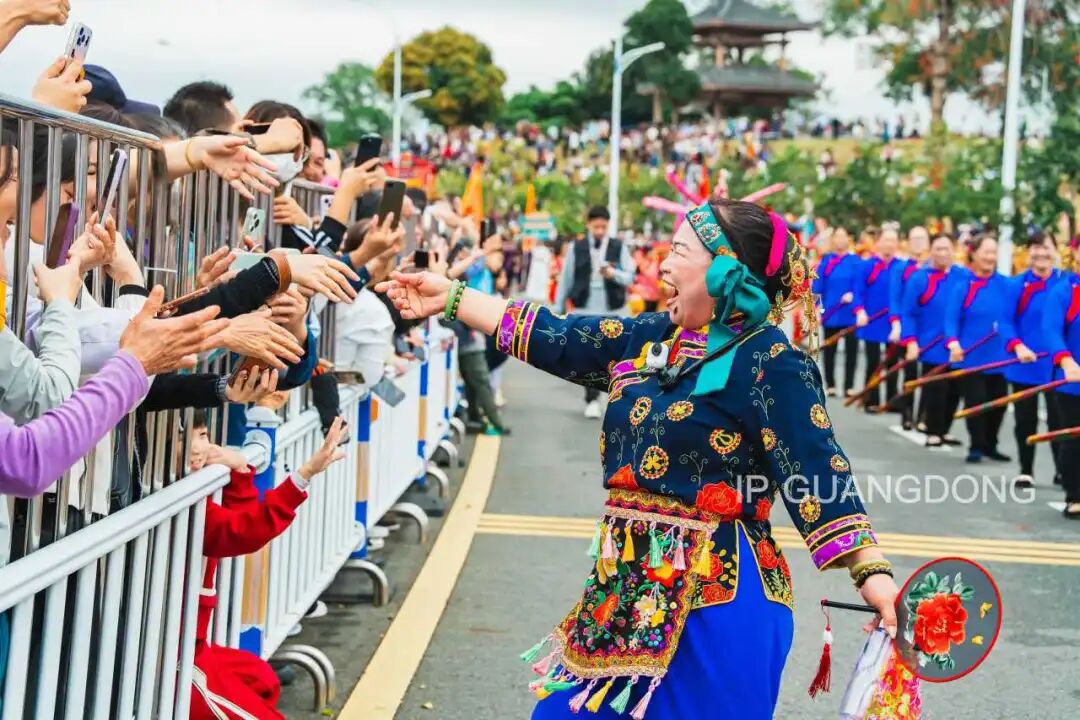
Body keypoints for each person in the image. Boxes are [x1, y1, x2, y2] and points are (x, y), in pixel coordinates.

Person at [378, 199, 898, 720]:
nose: (662, 266)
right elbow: (560, 336)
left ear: (725, 270)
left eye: (679, 253)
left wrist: (871, 574)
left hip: (719, 601)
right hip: (627, 590)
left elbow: (817, 472)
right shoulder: (652, 337)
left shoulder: (773, 361)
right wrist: (452, 298)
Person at [188, 416, 348, 720]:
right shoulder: (181, 501)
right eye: (186, 436)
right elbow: (245, 529)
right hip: (176, 661)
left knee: (262, 679)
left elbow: (240, 519)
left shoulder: (194, 491)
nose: (198, 447)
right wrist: (304, 473)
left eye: (204, 434)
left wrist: (239, 471)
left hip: (196, 647)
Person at [555, 206, 634, 419]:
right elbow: (566, 278)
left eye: (603, 227)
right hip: (584, 309)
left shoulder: (619, 246)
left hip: (612, 309)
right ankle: (591, 399)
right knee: (587, 356)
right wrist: (558, 309)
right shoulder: (577, 247)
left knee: (613, 356)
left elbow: (630, 276)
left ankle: (611, 397)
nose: (600, 231)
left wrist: (613, 273)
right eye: (596, 226)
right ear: (588, 225)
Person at [1001, 232, 1064, 487]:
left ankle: (1063, 470)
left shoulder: (1066, 284)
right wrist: (1017, 346)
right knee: (1025, 420)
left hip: (1059, 366)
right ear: (1028, 253)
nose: (1041, 253)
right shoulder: (1016, 285)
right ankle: (1026, 470)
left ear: (1055, 251)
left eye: (1046, 247)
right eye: (1036, 248)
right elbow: (1005, 322)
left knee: (1059, 421)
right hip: (1025, 364)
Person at [945, 235, 1012, 464]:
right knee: (976, 401)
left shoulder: (1006, 285)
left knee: (999, 403)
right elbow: (951, 319)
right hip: (971, 356)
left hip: (1000, 357)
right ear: (973, 253)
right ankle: (976, 445)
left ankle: (990, 444)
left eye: (993, 252)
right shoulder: (963, 286)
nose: (990, 257)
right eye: (986, 252)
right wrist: (953, 343)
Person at [900, 234, 964, 448]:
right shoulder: (919, 278)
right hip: (931, 343)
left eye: (947, 249)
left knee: (955, 390)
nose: (943, 253)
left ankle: (944, 429)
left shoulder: (962, 276)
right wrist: (911, 341)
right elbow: (909, 312)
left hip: (958, 344)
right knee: (936, 389)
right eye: (938, 249)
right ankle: (933, 429)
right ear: (931, 251)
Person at [1043, 237, 1080, 519]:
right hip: (1072, 381)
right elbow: (1051, 330)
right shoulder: (1065, 290)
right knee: (1074, 440)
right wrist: (1067, 361)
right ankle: (1075, 495)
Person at [853, 227, 899, 412]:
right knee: (873, 362)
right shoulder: (867, 265)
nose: (889, 244)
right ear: (878, 242)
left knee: (893, 363)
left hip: (894, 323)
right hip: (872, 321)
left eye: (893, 240)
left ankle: (892, 401)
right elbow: (858, 292)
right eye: (886, 240)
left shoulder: (900, 267)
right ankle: (871, 399)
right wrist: (860, 311)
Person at [888, 226, 929, 427]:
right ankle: (907, 414)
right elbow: (895, 299)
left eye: (922, 238)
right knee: (910, 372)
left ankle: (924, 416)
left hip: (930, 327)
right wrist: (896, 324)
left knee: (928, 373)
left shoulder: (934, 267)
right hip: (908, 325)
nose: (919, 243)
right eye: (915, 239)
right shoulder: (901, 268)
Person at [813, 226, 861, 397]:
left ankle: (849, 386)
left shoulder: (856, 262)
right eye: (837, 236)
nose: (840, 240)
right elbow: (817, 289)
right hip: (830, 315)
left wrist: (854, 296)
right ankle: (831, 385)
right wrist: (818, 310)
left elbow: (861, 286)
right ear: (833, 240)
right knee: (829, 351)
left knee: (851, 351)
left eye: (843, 236)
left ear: (849, 239)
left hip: (851, 315)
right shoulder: (826, 262)